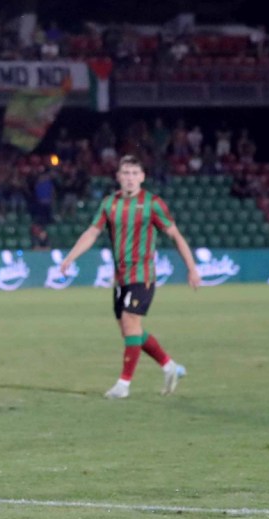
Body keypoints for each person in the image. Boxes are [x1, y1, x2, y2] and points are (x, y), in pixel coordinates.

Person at [58, 155, 200, 399]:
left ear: (142, 177)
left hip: (143, 275)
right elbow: (92, 233)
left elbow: (175, 235)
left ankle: (123, 385)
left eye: (135, 173)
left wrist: (192, 267)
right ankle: (170, 367)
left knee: (130, 322)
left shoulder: (153, 204)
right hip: (120, 278)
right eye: (126, 173)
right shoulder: (109, 204)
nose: (130, 178)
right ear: (118, 177)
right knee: (130, 331)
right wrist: (70, 257)